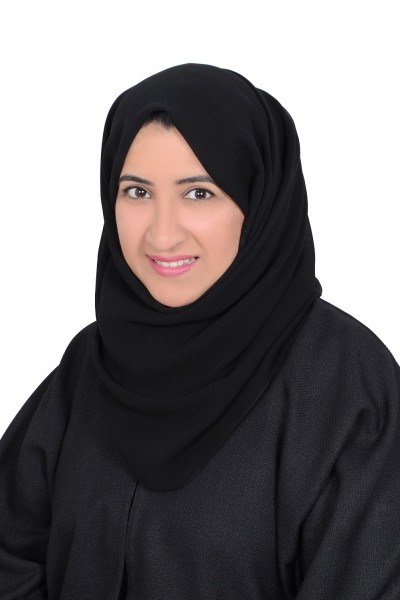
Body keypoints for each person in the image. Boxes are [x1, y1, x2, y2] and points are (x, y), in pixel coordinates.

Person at [1, 63, 399, 600]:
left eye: (199, 194)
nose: (162, 235)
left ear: (258, 202)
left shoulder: (348, 390)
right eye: (137, 191)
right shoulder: (90, 367)